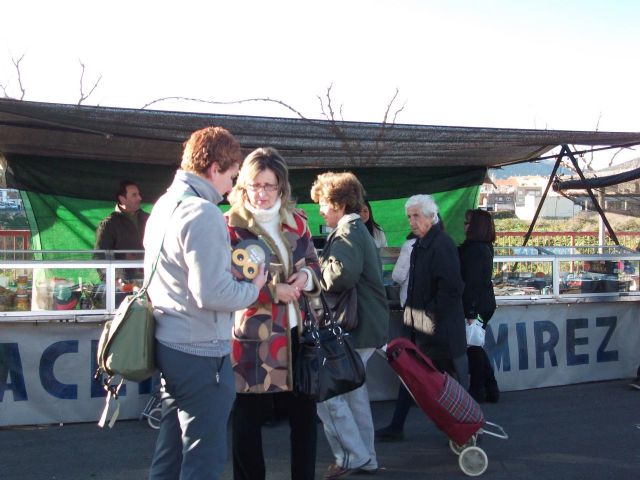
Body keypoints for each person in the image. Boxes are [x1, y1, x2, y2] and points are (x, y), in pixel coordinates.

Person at [145, 126, 268, 480]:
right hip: (200, 352)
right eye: (232, 176)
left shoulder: (166, 205)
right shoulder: (203, 213)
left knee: (169, 457)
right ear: (215, 168)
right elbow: (212, 294)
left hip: (170, 344)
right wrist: (254, 287)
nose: (233, 187)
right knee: (204, 459)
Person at [225, 147, 321, 480]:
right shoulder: (230, 227)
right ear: (243, 186)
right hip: (253, 339)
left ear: (281, 187)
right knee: (247, 423)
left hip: (298, 337)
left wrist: (307, 277)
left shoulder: (297, 223)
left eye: (270, 186)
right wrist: (271, 291)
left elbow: (313, 263)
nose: (262, 194)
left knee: (306, 421)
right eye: (255, 185)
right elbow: (224, 283)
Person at [310, 171, 389, 479]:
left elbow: (341, 275)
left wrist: (312, 272)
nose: (320, 209)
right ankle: (364, 457)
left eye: (323, 204)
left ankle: (350, 456)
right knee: (354, 393)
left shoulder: (346, 233)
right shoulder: (358, 230)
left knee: (328, 395)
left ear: (339, 204)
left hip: (355, 327)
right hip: (367, 325)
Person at [376, 194, 467, 442]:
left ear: (431, 216)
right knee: (412, 374)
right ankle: (398, 425)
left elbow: (451, 290)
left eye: (416, 216)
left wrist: (425, 318)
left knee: (447, 384)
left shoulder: (442, 245)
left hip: (439, 330)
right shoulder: (422, 244)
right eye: (409, 217)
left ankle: (469, 429)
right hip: (421, 324)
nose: (411, 222)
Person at [459, 209, 500, 403]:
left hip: (477, 306)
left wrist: (471, 311)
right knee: (475, 345)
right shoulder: (485, 247)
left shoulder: (474, 250)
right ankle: (490, 387)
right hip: (485, 304)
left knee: (473, 348)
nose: (464, 226)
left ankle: (479, 389)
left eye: (467, 222)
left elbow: (473, 282)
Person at [95, 180, 149, 280]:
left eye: (139, 194)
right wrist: (114, 281)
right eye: (134, 195)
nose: (140, 198)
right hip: (125, 284)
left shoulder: (149, 218)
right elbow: (100, 258)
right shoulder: (109, 224)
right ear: (122, 199)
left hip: (151, 280)